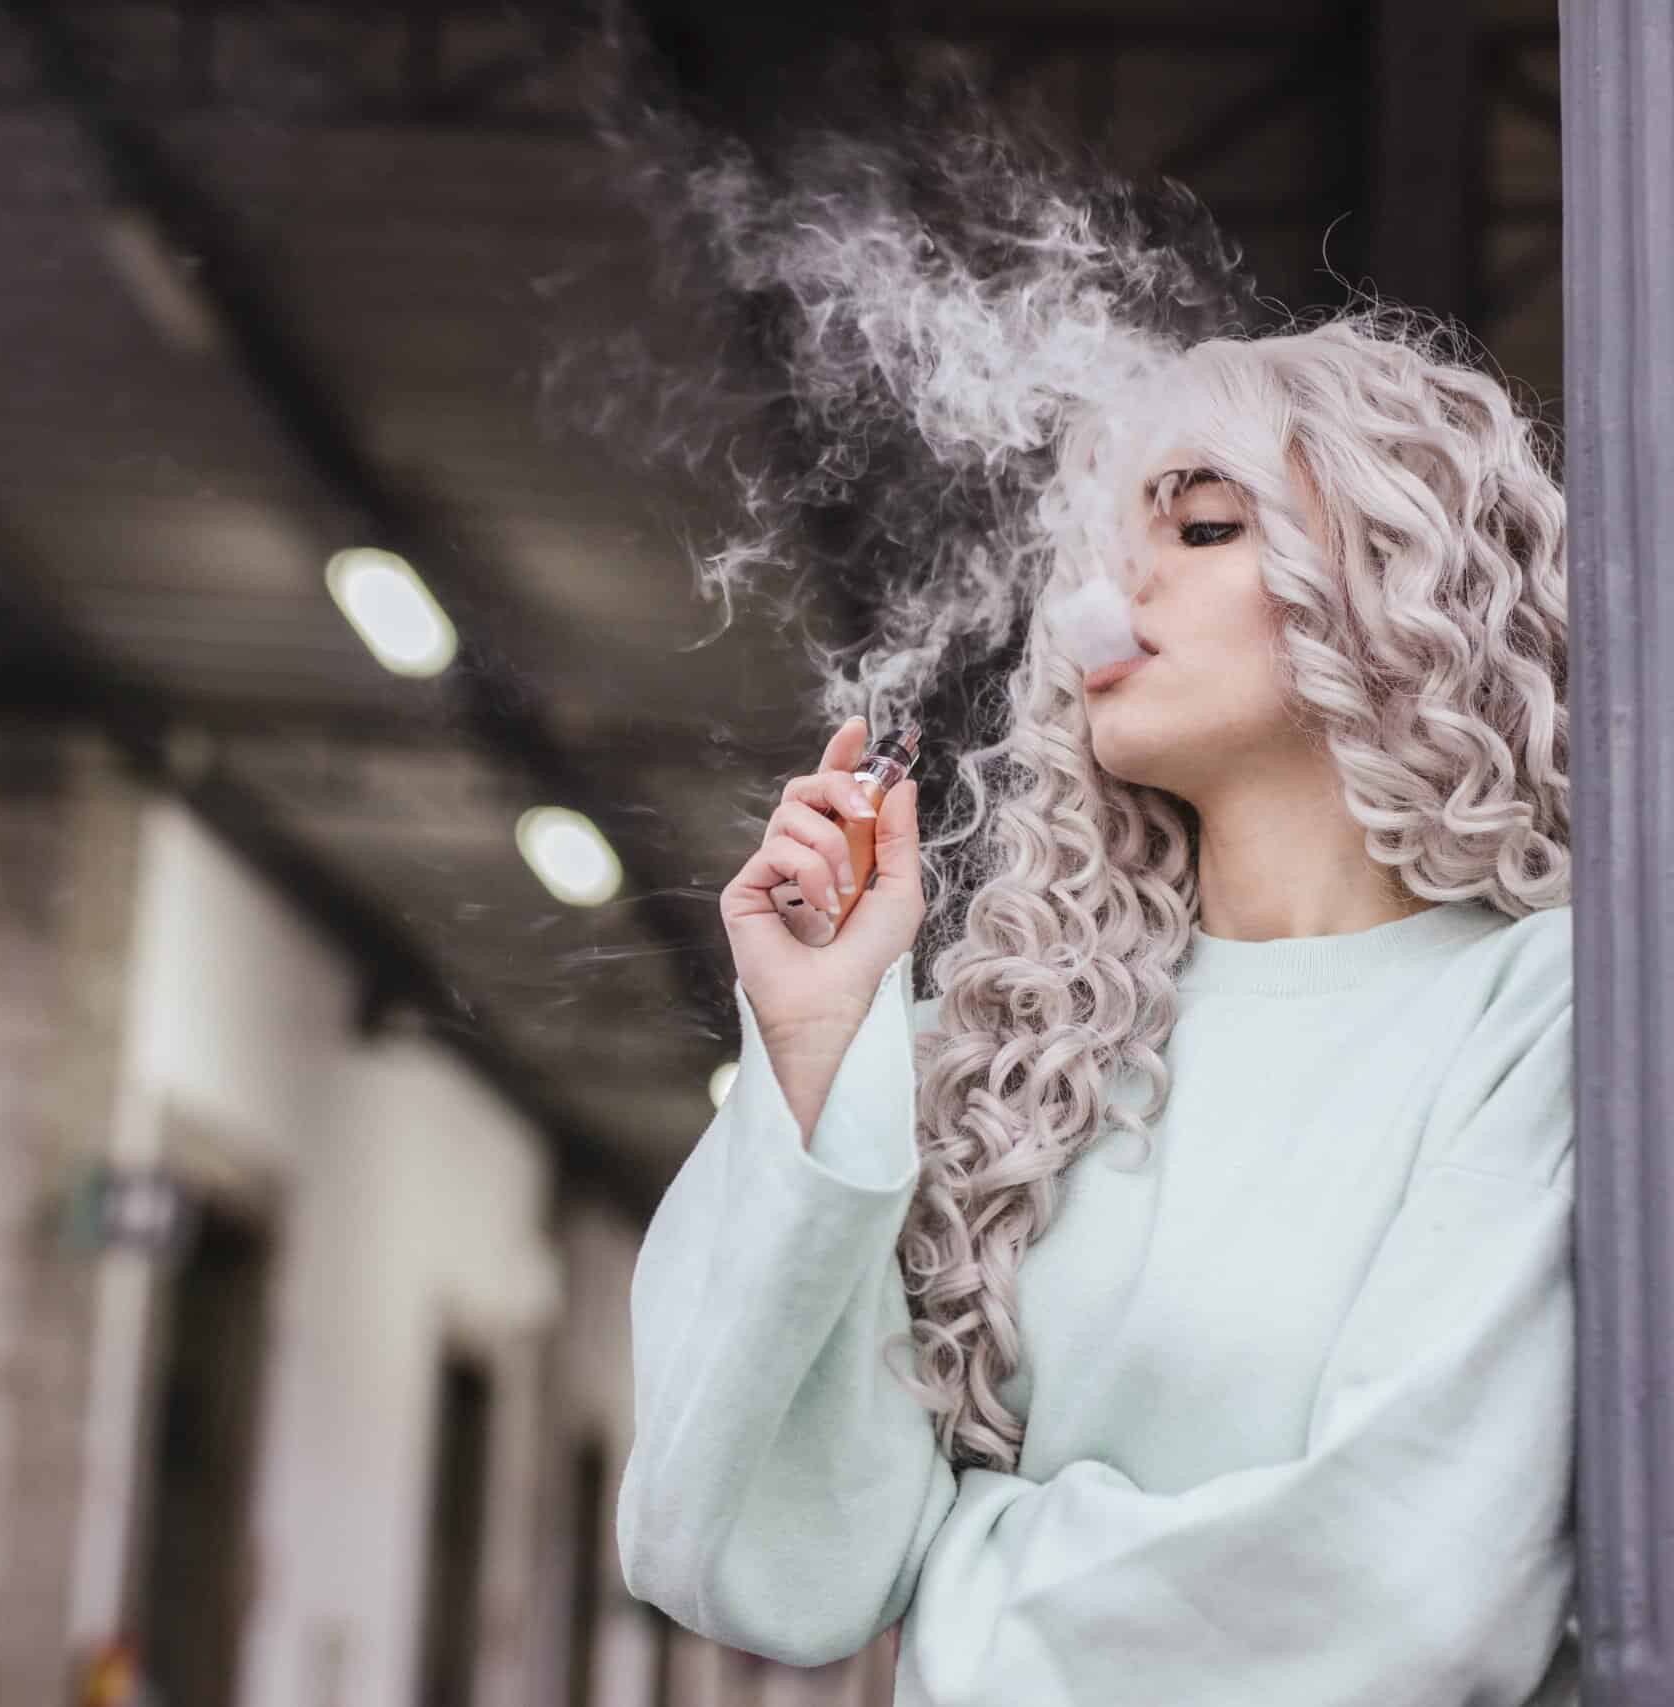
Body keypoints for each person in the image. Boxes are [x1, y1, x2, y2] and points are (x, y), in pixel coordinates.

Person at [616, 312, 1579, 1707]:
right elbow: (759, 1553)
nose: (1104, 598)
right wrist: (822, 1045)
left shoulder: (1532, 1012)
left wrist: (960, 1579)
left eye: (1197, 531)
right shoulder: (1019, 1058)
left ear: (1390, 571)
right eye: (1100, 545)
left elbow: (1406, 1590)